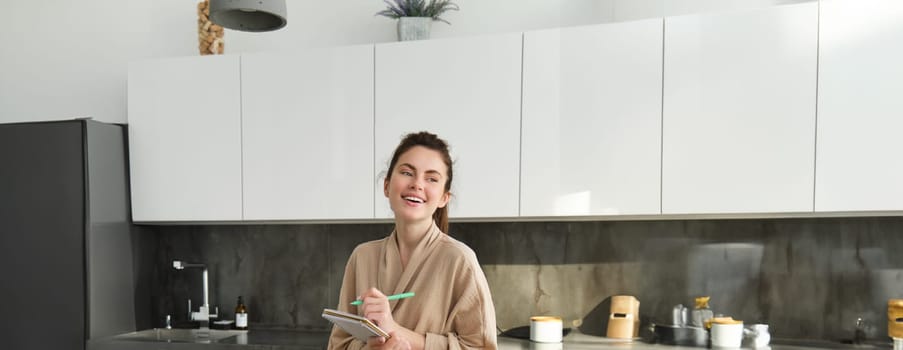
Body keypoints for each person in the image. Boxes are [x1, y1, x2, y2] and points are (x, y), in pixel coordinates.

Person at [327, 131, 498, 350]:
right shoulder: (362, 257)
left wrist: (393, 329)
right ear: (387, 186)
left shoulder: (460, 260)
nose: (417, 184)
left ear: (444, 198)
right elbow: (338, 344)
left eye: (432, 179)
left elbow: (481, 347)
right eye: (407, 172)